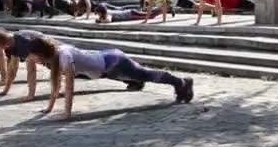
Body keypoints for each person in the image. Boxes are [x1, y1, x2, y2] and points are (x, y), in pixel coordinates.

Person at [27, 37, 194, 119]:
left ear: (41, 53)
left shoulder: (64, 57)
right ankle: (137, 81)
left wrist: (67, 113)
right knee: (138, 75)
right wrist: (49, 108)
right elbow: (55, 83)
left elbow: (69, 87)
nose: (30, 58)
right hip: (105, 64)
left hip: (113, 62)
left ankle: (183, 82)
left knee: (146, 74)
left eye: (32, 55)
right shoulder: (55, 57)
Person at [0, 29, 45, 101]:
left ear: (3, 44)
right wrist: (5, 91)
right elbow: (12, 69)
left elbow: (31, 70)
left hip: (53, 53)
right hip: (44, 53)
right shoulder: (12, 42)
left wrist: (30, 95)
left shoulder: (23, 43)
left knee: (60, 71)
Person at [94, 4, 161, 24]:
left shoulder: (108, 14)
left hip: (131, 14)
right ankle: (159, 9)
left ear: (101, 12)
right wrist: (99, 19)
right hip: (130, 13)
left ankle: (162, 10)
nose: (98, 15)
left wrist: (100, 21)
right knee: (148, 14)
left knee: (150, 16)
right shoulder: (106, 12)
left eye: (98, 13)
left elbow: (108, 21)